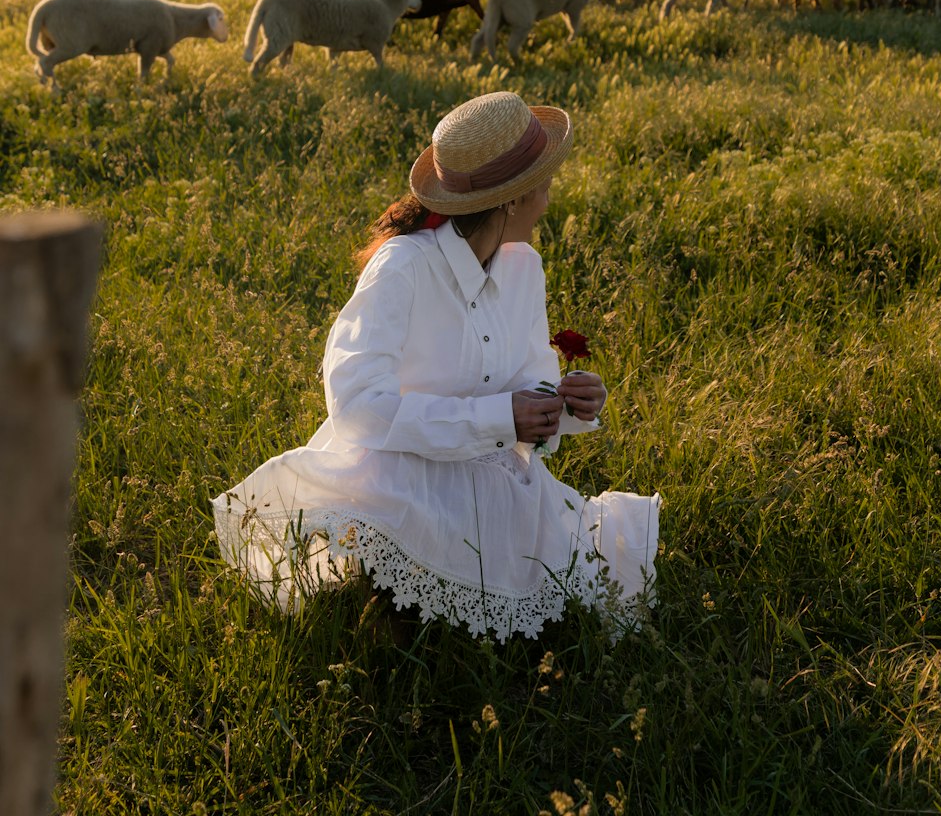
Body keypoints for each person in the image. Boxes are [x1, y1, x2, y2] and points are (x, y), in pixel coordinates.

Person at [213, 90, 659, 640]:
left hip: (492, 476)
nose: (550, 197)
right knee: (421, 639)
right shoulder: (402, 267)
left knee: (582, 597)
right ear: (513, 201)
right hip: (400, 478)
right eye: (545, 183)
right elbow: (356, 405)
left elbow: (526, 385)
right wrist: (501, 418)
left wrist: (565, 405)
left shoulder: (525, 268)